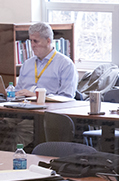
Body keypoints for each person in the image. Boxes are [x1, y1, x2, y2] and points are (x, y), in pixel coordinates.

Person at [0, 22, 78, 151]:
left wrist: (37, 95)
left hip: (44, 114)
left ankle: (11, 158)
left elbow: (67, 97)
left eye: (36, 41)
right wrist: (16, 94)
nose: (32, 46)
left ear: (48, 41)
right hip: (21, 109)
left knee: (22, 129)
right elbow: (19, 89)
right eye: (30, 41)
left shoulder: (65, 64)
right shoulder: (28, 64)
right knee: (3, 124)